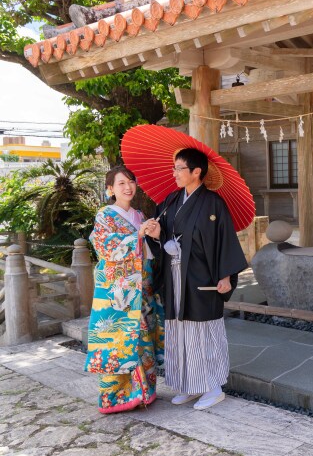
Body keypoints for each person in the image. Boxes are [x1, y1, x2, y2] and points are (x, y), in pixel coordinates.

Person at [147, 147, 248, 410]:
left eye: (180, 168)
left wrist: (225, 274)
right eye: (174, 168)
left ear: (196, 171)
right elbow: (164, 236)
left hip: (202, 278)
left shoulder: (213, 203)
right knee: (179, 332)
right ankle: (190, 385)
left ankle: (213, 388)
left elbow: (224, 240)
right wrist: (159, 237)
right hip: (174, 277)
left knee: (203, 332)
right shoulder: (170, 201)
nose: (175, 173)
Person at [85, 166, 164, 414]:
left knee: (144, 336)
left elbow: (149, 250)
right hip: (120, 291)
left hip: (144, 285)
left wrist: (153, 234)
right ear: (110, 189)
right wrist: (136, 237)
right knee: (120, 340)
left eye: (131, 181)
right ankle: (116, 397)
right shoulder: (105, 215)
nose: (128, 187)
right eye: (121, 183)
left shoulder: (140, 215)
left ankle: (145, 392)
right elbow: (105, 248)